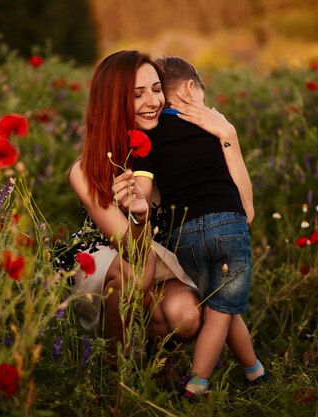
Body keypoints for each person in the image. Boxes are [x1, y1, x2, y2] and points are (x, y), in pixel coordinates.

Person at [132, 56, 268, 399]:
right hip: (227, 222)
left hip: (184, 234)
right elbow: (242, 194)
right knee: (221, 311)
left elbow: (145, 188)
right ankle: (197, 383)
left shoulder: (149, 136)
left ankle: (255, 372)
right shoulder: (212, 125)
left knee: (220, 304)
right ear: (192, 88)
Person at [67, 51, 202, 357]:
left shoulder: (171, 149)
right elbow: (133, 254)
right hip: (106, 260)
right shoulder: (85, 170)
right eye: (137, 94)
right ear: (113, 101)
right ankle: (117, 372)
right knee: (133, 275)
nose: (153, 102)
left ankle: (153, 361)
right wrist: (140, 217)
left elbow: (243, 209)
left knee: (186, 316)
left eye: (157, 90)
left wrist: (227, 134)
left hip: (160, 258)